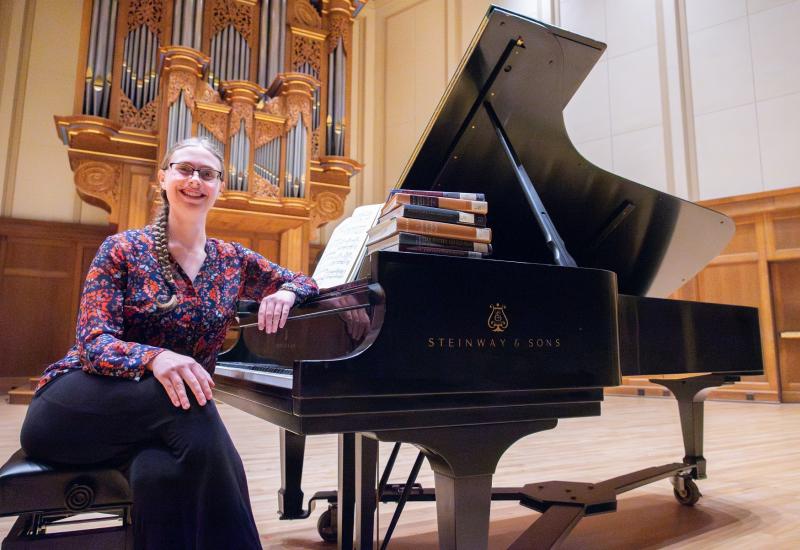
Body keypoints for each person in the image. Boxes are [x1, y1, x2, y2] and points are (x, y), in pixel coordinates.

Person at [19, 137, 318, 550]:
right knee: (190, 404)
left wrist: (286, 293)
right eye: (184, 169)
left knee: (160, 473)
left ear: (219, 186)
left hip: (163, 422)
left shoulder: (232, 259)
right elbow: (92, 342)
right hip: (73, 408)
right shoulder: (122, 249)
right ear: (163, 177)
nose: (195, 180)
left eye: (207, 174)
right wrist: (155, 358)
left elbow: (303, 280)